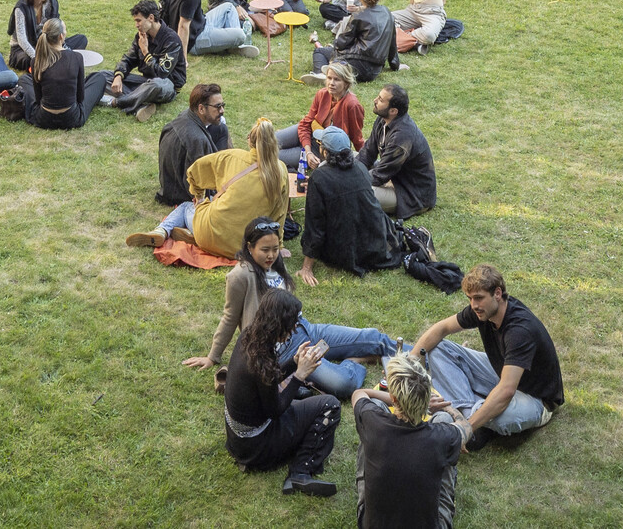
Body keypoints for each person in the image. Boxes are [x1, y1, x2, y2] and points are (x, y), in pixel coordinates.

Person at [187, 218, 404, 402]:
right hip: (286, 348)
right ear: (249, 247)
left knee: (372, 337)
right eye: (265, 250)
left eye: (275, 249)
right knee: (344, 385)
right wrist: (212, 356)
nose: (271, 255)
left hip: (305, 328)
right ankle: (355, 361)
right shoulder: (240, 276)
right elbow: (229, 317)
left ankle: (415, 355)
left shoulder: (274, 263)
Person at [414, 265, 565, 448]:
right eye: (470, 299)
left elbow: (507, 390)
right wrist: (408, 361)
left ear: (498, 293)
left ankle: (469, 419)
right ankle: (470, 414)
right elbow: (442, 328)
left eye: (478, 298)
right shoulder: (482, 311)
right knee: (437, 349)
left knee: (502, 418)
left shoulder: (519, 331)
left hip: (535, 399)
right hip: (502, 372)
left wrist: (466, 429)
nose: (474, 305)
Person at [221, 290, 345, 497]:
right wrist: (299, 376)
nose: (295, 328)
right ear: (280, 324)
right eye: (293, 323)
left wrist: (294, 362)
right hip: (257, 448)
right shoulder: (261, 362)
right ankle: (300, 472)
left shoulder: (249, 336)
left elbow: (267, 381)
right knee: (329, 405)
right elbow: (276, 411)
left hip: (239, 441)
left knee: (303, 401)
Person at [130, 118, 295, 256]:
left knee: (187, 206)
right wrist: (278, 247)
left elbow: (194, 172)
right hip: (245, 247)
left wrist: (199, 197)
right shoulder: (281, 171)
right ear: (274, 143)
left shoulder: (231, 157)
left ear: (249, 140)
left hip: (210, 234)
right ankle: (190, 232)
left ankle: (162, 231)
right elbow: (279, 215)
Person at [352, 351, 467, 529]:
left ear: (394, 398)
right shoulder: (442, 437)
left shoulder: (373, 423)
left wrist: (393, 400)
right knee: (444, 420)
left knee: (371, 413)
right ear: (427, 393)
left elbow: (360, 393)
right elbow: (465, 427)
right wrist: (449, 409)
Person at [303, 125, 403, 276]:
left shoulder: (319, 178)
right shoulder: (361, 168)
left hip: (343, 249)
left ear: (324, 151)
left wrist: (306, 268)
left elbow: (315, 224)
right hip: (372, 243)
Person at [17, 18, 114, 130]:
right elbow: (80, 97)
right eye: (65, 31)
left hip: (43, 118)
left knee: (24, 79)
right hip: (72, 118)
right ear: (61, 36)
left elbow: (39, 99)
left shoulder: (37, 60)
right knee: (99, 77)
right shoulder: (76, 57)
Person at [362, 82, 438, 219]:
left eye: (380, 100)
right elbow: (367, 153)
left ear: (393, 111)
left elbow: (380, 175)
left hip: (409, 193)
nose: (375, 100)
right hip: (391, 176)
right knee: (347, 158)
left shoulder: (402, 137)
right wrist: (347, 172)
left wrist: (347, 182)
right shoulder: (382, 120)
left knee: (356, 193)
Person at [105, 0, 188, 120]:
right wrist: (118, 76)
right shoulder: (141, 36)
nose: (136, 25)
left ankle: (118, 102)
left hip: (166, 85)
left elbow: (162, 73)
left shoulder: (172, 40)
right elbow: (128, 58)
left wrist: (145, 51)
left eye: (139, 21)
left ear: (151, 18)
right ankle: (140, 104)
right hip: (145, 82)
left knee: (156, 85)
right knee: (103, 76)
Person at [276, 61, 366, 172]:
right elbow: (306, 123)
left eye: (337, 79)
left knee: (270, 156)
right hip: (306, 133)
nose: (331, 83)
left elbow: (357, 138)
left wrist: (367, 162)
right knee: (265, 141)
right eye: (329, 78)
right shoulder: (322, 94)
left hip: (321, 149)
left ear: (346, 83)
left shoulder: (352, 105)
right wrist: (307, 151)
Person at [157, 81, 231, 203]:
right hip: (177, 194)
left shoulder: (187, 114)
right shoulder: (198, 141)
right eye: (217, 107)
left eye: (222, 105)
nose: (222, 110)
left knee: (221, 128)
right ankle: (225, 176)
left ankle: (225, 170)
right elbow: (197, 184)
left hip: (170, 180)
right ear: (201, 108)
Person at [312, 0, 396, 84]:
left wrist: (334, 46)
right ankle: (334, 69)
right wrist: (395, 64)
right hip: (375, 70)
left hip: (356, 64)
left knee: (320, 52)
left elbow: (343, 42)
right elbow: (392, 42)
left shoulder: (358, 16)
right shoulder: (388, 13)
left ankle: (321, 74)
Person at [6, 0, 62, 71]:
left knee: (80, 39)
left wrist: (57, 47)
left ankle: (48, 62)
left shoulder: (51, 3)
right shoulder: (21, 8)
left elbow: (55, 27)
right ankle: (39, 67)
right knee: (29, 60)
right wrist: (38, 57)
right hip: (21, 49)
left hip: (43, 43)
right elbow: (22, 40)